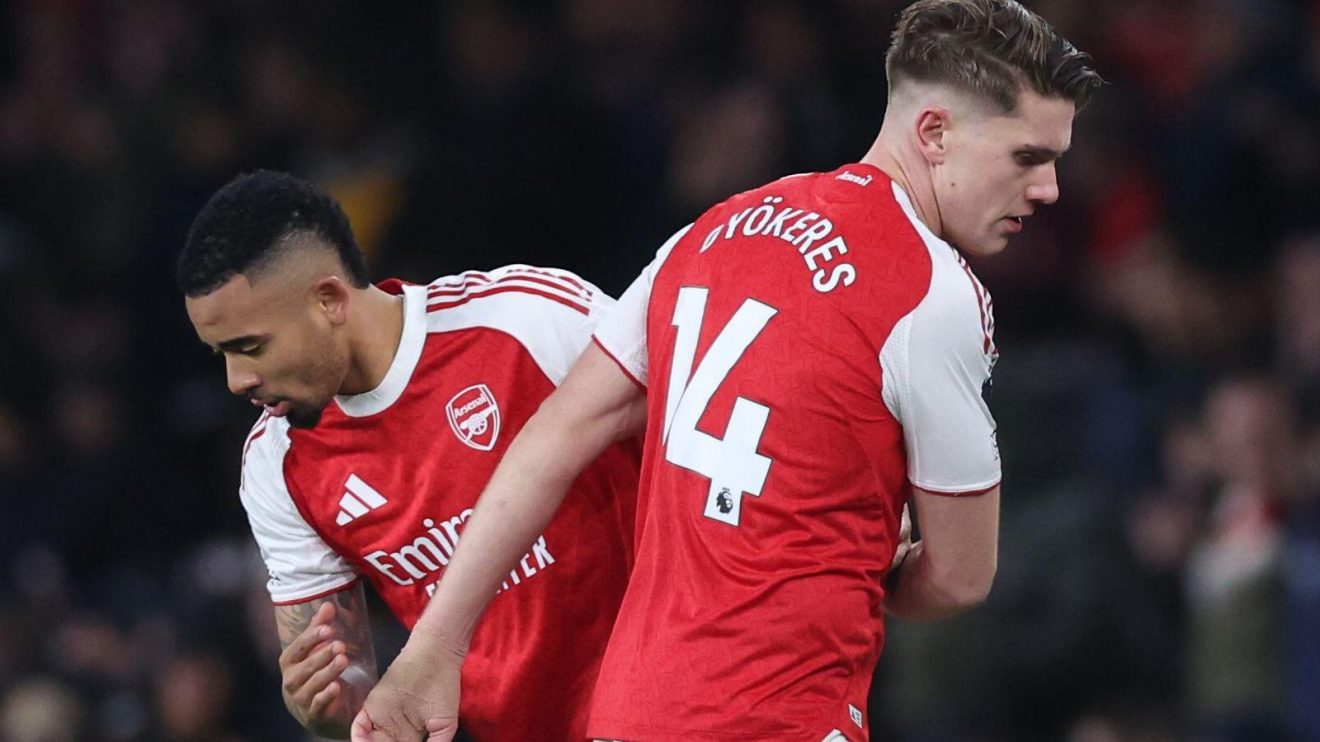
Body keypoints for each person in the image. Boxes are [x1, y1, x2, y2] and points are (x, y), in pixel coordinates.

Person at [352, 1, 1103, 740]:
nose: (1048, 189)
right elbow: (961, 577)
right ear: (934, 132)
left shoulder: (705, 233)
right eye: (1027, 157)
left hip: (629, 718)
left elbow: (554, 436)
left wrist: (434, 648)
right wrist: (859, 558)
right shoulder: (932, 292)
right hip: (781, 719)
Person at [177, 170, 641, 741]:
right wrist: (327, 709)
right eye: (220, 354)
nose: (236, 379)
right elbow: (351, 689)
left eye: (250, 347)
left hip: (682, 697)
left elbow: (695, 427)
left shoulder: (526, 320)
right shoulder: (277, 465)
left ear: (329, 300)